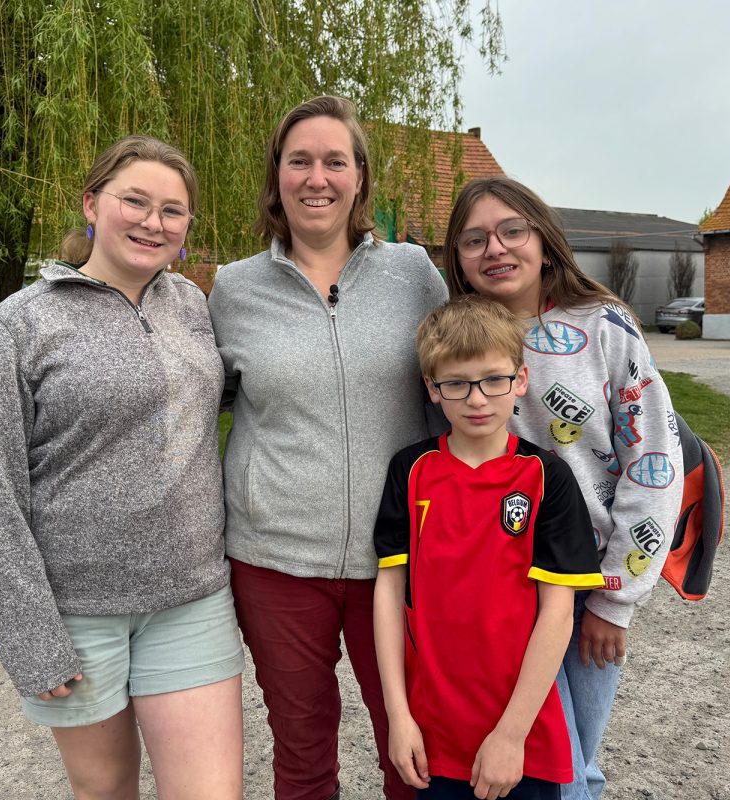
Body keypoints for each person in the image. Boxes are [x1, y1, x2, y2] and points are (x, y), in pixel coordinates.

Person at [0, 135, 244, 800]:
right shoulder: (20, 324)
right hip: (78, 611)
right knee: (106, 789)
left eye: (173, 211)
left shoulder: (193, 306)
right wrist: (28, 631)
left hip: (190, 597)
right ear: (92, 204)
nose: (153, 222)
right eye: (135, 201)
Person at [207, 95, 448, 800]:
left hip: (401, 559)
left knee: (414, 745)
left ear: (361, 178)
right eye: (299, 161)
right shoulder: (233, 289)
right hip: (275, 561)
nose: (317, 178)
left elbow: (462, 384)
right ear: (277, 176)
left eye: (334, 161)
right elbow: (197, 403)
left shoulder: (413, 274)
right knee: (303, 748)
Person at [440, 178, 684, 800]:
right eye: (475, 239)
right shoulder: (456, 339)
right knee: (552, 762)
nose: (495, 248)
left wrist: (615, 599)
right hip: (502, 586)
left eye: (511, 230)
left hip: (587, 580)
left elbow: (652, 458)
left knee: (581, 760)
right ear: (459, 260)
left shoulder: (604, 326)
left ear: (544, 242)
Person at [372, 295, 605, 800]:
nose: (477, 399)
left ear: (520, 380)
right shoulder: (410, 471)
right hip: (434, 732)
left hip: (522, 735)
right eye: (456, 383)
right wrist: (399, 716)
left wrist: (511, 734)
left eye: (493, 379)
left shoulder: (547, 477)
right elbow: (389, 594)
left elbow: (557, 614)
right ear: (432, 389)